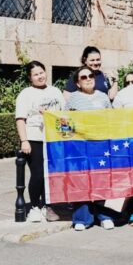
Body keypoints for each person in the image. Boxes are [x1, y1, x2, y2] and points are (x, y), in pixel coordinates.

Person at [65, 66, 115, 231]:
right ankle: (82, 218)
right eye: (83, 77)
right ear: (77, 83)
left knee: (102, 180)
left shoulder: (103, 97)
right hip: (80, 147)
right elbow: (65, 123)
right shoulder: (73, 99)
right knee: (81, 180)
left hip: (101, 146)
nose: (88, 79)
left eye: (90, 76)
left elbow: (112, 119)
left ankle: (104, 216)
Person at [15, 61, 65, 223]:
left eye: (41, 72)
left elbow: (63, 115)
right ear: (30, 78)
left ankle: (48, 205)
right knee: (37, 174)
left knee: (51, 175)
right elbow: (20, 119)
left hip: (53, 139)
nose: (40, 76)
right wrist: (24, 140)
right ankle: (35, 206)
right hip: (34, 138)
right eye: (36, 74)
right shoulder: (26, 94)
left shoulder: (55, 91)